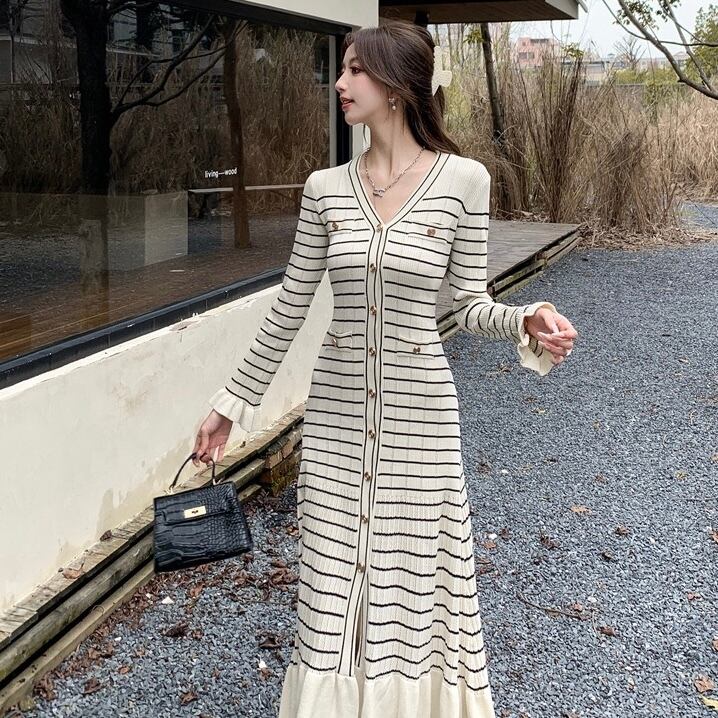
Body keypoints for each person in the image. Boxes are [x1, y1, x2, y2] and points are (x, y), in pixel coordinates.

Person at [194, 19, 577, 718]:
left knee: (415, 588)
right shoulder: (324, 189)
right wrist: (229, 406)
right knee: (329, 587)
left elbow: (467, 304)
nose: (340, 84)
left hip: (422, 422)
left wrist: (525, 318)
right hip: (336, 420)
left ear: (397, 85)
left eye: (355, 70)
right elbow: (290, 307)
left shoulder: (464, 181)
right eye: (341, 70)